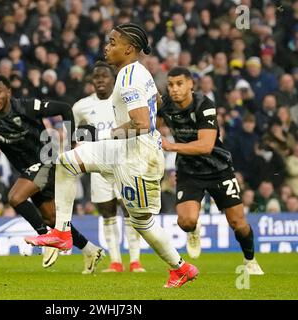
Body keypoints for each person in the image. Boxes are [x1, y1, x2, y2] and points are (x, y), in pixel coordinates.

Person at [26, 23, 198, 288]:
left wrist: (113, 132)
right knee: (67, 161)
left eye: (112, 42)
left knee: (142, 222)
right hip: (125, 150)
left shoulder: (129, 75)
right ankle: (62, 232)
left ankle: (181, 268)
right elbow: (159, 103)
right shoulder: (139, 72)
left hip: (138, 159)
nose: (107, 47)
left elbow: (142, 123)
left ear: (129, 48)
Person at [0, 74, 104, 273]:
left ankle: (45, 239)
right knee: (52, 219)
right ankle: (90, 249)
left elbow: (64, 109)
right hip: (28, 170)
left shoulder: (26, 107)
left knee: (15, 198)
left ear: (8, 92)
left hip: (46, 161)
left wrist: (70, 143)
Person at [156, 66, 264, 275]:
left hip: (219, 169)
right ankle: (193, 230)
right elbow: (151, 123)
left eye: (179, 84)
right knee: (186, 221)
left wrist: (171, 146)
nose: (175, 89)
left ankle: (249, 260)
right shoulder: (166, 106)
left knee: (238, 223)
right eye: (170, 85)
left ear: (190, 84)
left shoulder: (204, 105)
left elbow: (205, 145)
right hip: (189, 170)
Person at [73, 61, 145, 273]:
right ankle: (115, 262)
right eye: (96, 77)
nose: (100, 80)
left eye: (104, 76)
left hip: (125, 163)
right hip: (98, 167)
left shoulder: (123, 101)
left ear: (113, 79)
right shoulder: (81, 106)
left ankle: (135, 261)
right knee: (107, 213)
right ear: (92, 81)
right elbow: (77, 136)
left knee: (130, 211)